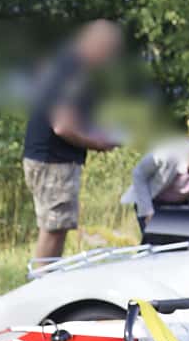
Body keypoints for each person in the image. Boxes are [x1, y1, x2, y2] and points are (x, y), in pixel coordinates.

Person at [22, 19, 123, 266]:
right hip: (54, 161)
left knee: (58, 226)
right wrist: (98, 142)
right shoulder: (73, 72)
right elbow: (63, 126)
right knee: (54, 228)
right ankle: (40, 290)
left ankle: (43, 285)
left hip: (49, 158)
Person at [124, 136, 189, 228]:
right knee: (155, 238)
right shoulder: (168, 155)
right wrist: (147, 211)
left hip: (177, 207)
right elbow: (139, 174)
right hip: (151, 202)